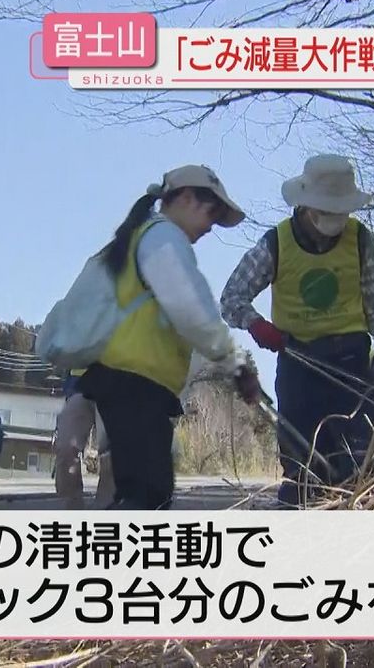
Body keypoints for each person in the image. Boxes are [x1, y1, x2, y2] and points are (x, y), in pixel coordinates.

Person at [220, 154, 374, 507]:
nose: (335, 223)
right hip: (299, 363)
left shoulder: (361, 242)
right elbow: (232, 297)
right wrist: (257, 325)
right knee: (303, 468)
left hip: (351, 368)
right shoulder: (276, 244)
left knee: (357, 463)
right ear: (307, 206)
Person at [77, 165, 261, 510]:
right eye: (212, 212)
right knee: (148, 493)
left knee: (140, 491)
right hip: (135, 382)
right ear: (186, 197)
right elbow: (191, 307)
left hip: (129, 382)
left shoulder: (145, 235)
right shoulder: (163, 238)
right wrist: (235, 363)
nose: (212, 226)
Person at [53, 368, 114, 509]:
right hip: (79, 386)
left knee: (112, 454)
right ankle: (73, 508)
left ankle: (105, 509)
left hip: (115, 385)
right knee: (65, 446)